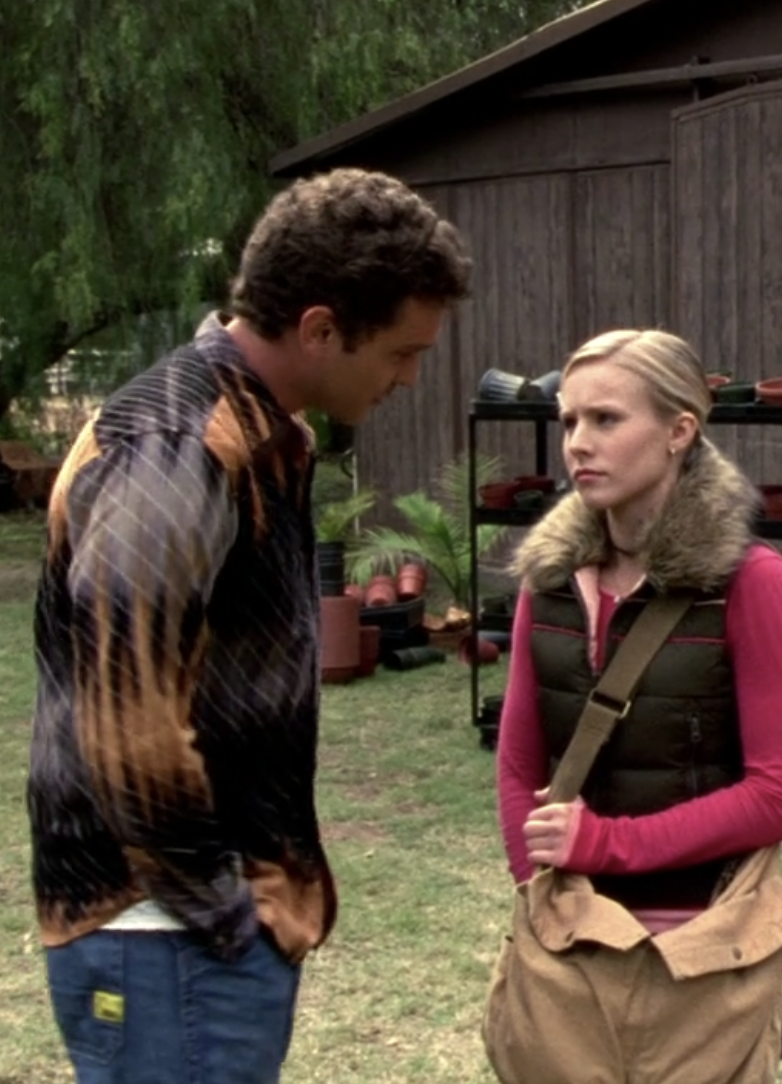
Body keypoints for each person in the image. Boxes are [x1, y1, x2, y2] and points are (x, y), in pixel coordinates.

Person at [26, 167, 470, 1084]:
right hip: (166, 939)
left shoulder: (263, 434)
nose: (411, 377)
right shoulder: (178, 450)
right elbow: (128, 720)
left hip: (193, 940)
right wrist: (229, 915)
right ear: (319, 328)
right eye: (399, 352)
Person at [485, 329, 782, 1084]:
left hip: (702, 955)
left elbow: (781, 794)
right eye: (569, 421)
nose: (578, 443)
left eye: (606, 419)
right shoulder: (546, 582)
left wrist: (605, 846)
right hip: (568, 947)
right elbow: (518, 767)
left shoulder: (753, 583)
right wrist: (541, 895)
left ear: (678, 432)